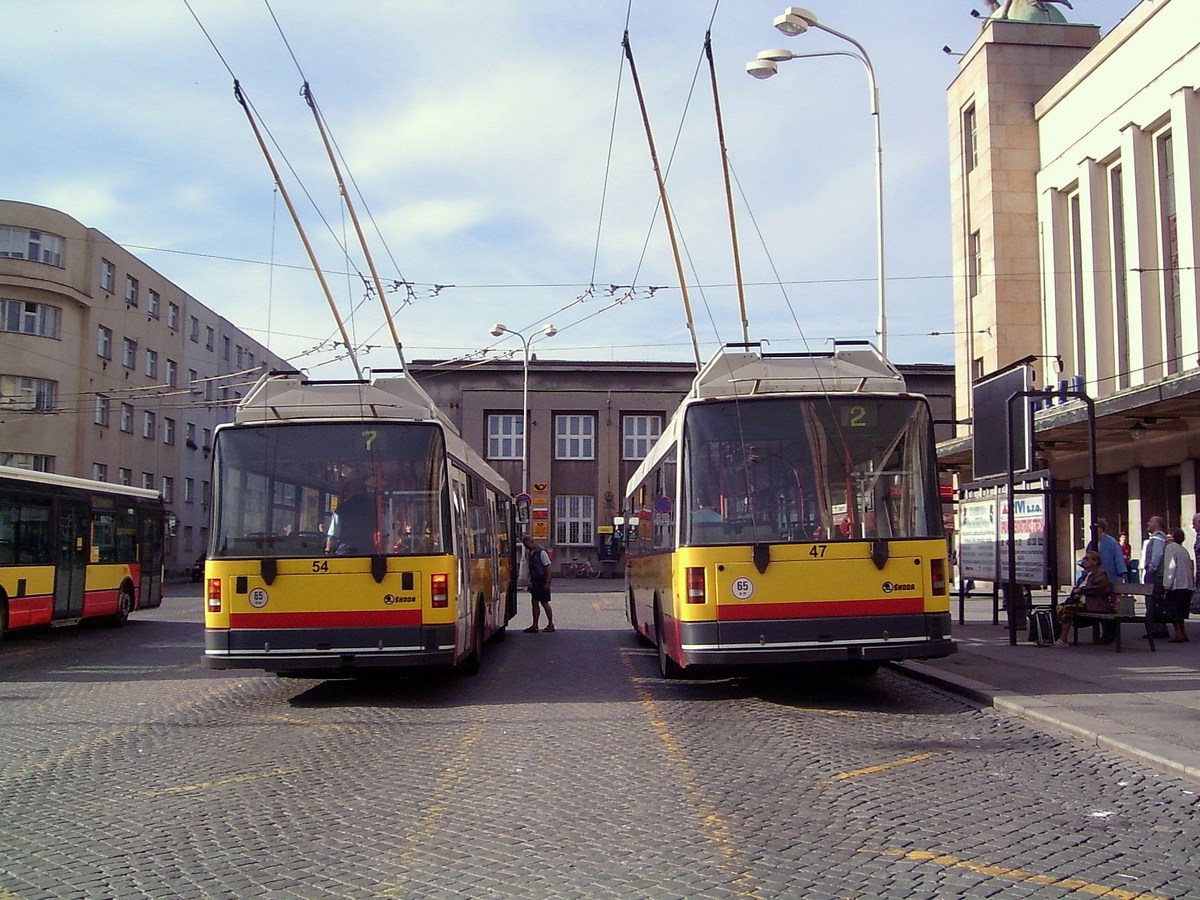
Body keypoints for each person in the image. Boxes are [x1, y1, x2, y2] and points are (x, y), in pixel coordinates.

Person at [1056, 550, 1114, 646]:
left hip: (1094, 604)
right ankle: (1055, 636)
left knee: (1067, 609)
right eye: (1084, 558)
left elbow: (1100, 589)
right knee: (1060, 607)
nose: (1084, 561)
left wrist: (1082, 590)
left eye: (1087, 559)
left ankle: (1063, 639)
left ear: (1095, 562)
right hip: (1081, 603)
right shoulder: (1085, 575)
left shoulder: (1101, 575)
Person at [1092, 518, 1128, 643]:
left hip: (1110, 578)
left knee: (1110, 606)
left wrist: (1121, 576)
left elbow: (1119, 559)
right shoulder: (1092, 542)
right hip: (1097, 580)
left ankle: (1111, 633)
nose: (1092, 531)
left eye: (1094, 528)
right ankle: (1105, 633)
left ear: (1101, 528)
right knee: (1100, 605)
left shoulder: (1111, 542)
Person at [1161, 527, 1193, 643]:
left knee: (1174, 611)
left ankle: (1178, 634)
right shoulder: (1184, 550)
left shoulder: (1170, 548)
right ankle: (1183, 633)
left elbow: (1171, 567)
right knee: (1182, 611)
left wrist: (1167, 584)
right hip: (1187, 584)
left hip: (1176, 584)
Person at [1141, 515, 1169, 637]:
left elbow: (1157, 555)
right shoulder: (1162, 538)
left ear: (1157, 524)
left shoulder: (1157, 538)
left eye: (1151, 522)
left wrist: (1151, 569)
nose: (1148, 523)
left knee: (1152, 601)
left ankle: (1155, 629)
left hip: (1155, 575)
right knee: (1158, 601)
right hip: (1158, 575)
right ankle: (1160, 628)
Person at [521, 535, 555, 634]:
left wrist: (547, 582)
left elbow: (548, 567)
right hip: (535, 581)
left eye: (526, 545)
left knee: (544, 602)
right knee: (534, 602)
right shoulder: (531, 552)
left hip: (542, 581)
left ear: (531, 542)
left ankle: (550, 624)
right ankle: (535, 625)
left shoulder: (541, 552)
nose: (526, 547)